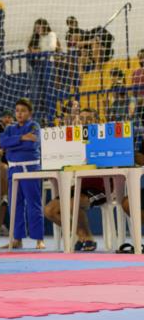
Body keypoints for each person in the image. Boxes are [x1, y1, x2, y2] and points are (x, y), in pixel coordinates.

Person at [44, 108, 101, 252]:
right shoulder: (73, 142)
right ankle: (82, 236)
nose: (84, 122)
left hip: (100, 186)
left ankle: (87, 238)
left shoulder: (102, 139)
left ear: (97, 121)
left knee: (72, 203)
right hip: (77, 186)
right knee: (49, 210)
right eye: (81, 119)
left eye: (88, 119)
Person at [0, 98, 44, 250]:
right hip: (13, 169)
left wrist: (13, 144)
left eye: (23, 111)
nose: (19, 114)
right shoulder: (9, 129)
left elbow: (31, 145)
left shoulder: (34, 126)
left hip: (30, 168)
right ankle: (17, 239)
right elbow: (3, 143)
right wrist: (21, 138)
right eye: (17, 110)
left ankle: (39, 239)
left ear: (30, 113)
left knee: (33, 204)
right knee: (15, 205)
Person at [27, 19, 58, 119]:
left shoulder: (51, 34)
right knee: (36, 91)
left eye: (39, 27)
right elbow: (29, 49)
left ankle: (50, 115)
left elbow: (52, 47)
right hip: (37, 65)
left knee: (48, 90)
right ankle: (38, 116)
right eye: (36, 28)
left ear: (44, 26)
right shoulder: (35, 38)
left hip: (48, 63)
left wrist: (38, 50)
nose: (37, 29)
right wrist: (32, 50)